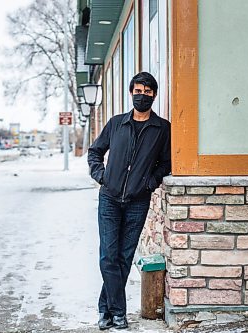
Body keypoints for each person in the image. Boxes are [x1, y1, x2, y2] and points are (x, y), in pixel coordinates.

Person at [88, 72, 171, 330]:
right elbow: (95, 151)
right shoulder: (116, 124)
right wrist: (101, 176)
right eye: (138, 91)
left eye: (147, 92)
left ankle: (106, 312)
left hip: (137, 201)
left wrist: (151, 181)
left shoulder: (162, 128)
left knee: (124, 257)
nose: (142, 95)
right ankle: (117, 312)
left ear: (154, 95)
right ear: (131, 92)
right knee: (108, 257)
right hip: (110, 199)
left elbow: (166, 163)